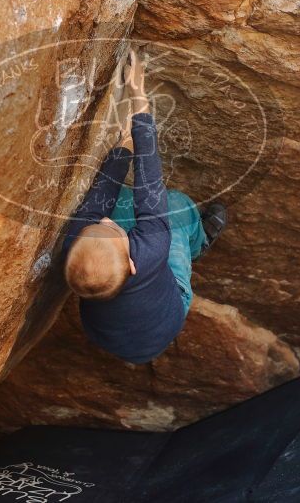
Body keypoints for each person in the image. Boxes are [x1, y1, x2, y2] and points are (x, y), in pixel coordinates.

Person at [62, 49, 227, 364]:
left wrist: (123, 144)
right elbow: (150, 181)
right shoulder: (152, 250)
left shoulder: (76, 241)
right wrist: (139, 95)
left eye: (98, 226)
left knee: (119, 203)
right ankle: (199, 240)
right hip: (169, 315)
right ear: (134, 263)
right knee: (175, 206)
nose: (107, 222)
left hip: (110, 336)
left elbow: (100, 198)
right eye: (114, 233)